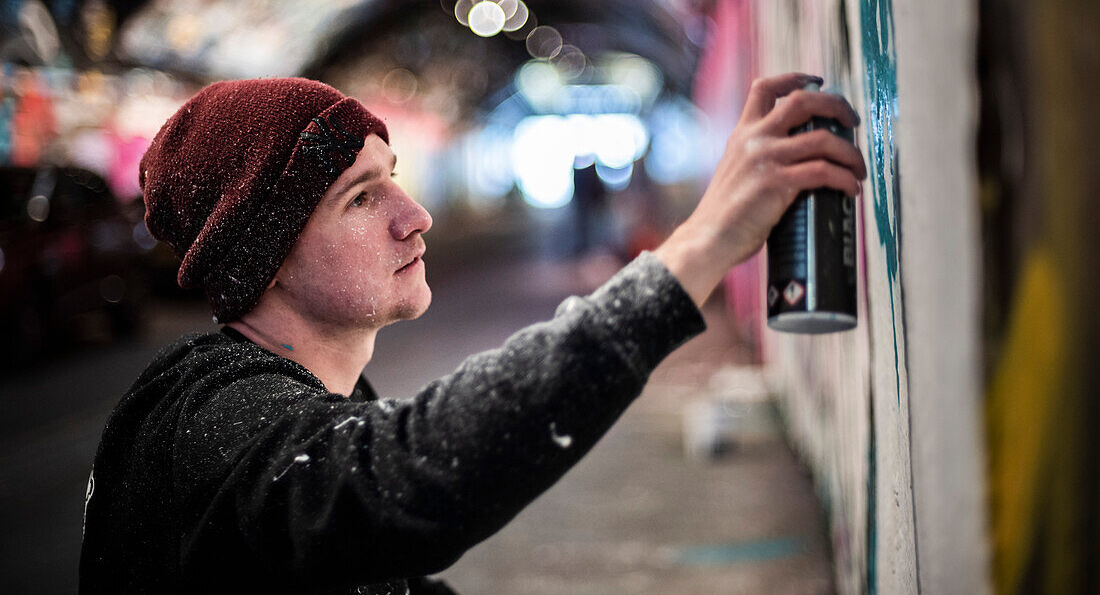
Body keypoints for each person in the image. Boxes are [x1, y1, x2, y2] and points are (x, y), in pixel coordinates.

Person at [79, 74, 865, 594]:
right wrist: (697, 252)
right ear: (266, 259)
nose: (412, 216)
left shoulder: (319, 401)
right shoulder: (201, 421)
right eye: (360, 198)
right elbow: (410, 477)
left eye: (395, 177)